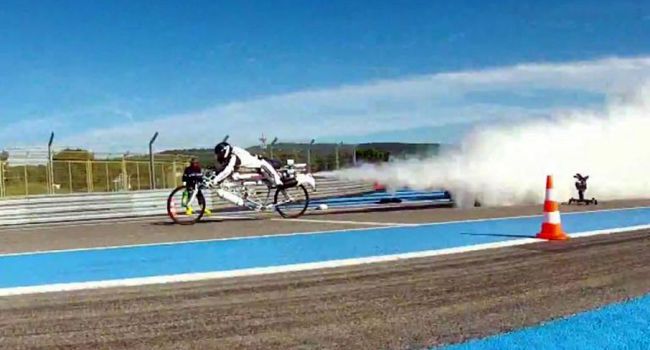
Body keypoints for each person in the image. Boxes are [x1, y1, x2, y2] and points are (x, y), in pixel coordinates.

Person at [212, 142, 283, 187]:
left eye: (219, 154)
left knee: (271, 177)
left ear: (224, 152)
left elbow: (227, 170)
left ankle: (277, 180)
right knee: (235, 176)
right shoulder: (235, 151)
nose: (219, 157)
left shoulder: (234, 157)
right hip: (253, 168)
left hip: (261, 166)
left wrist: (215, 180)